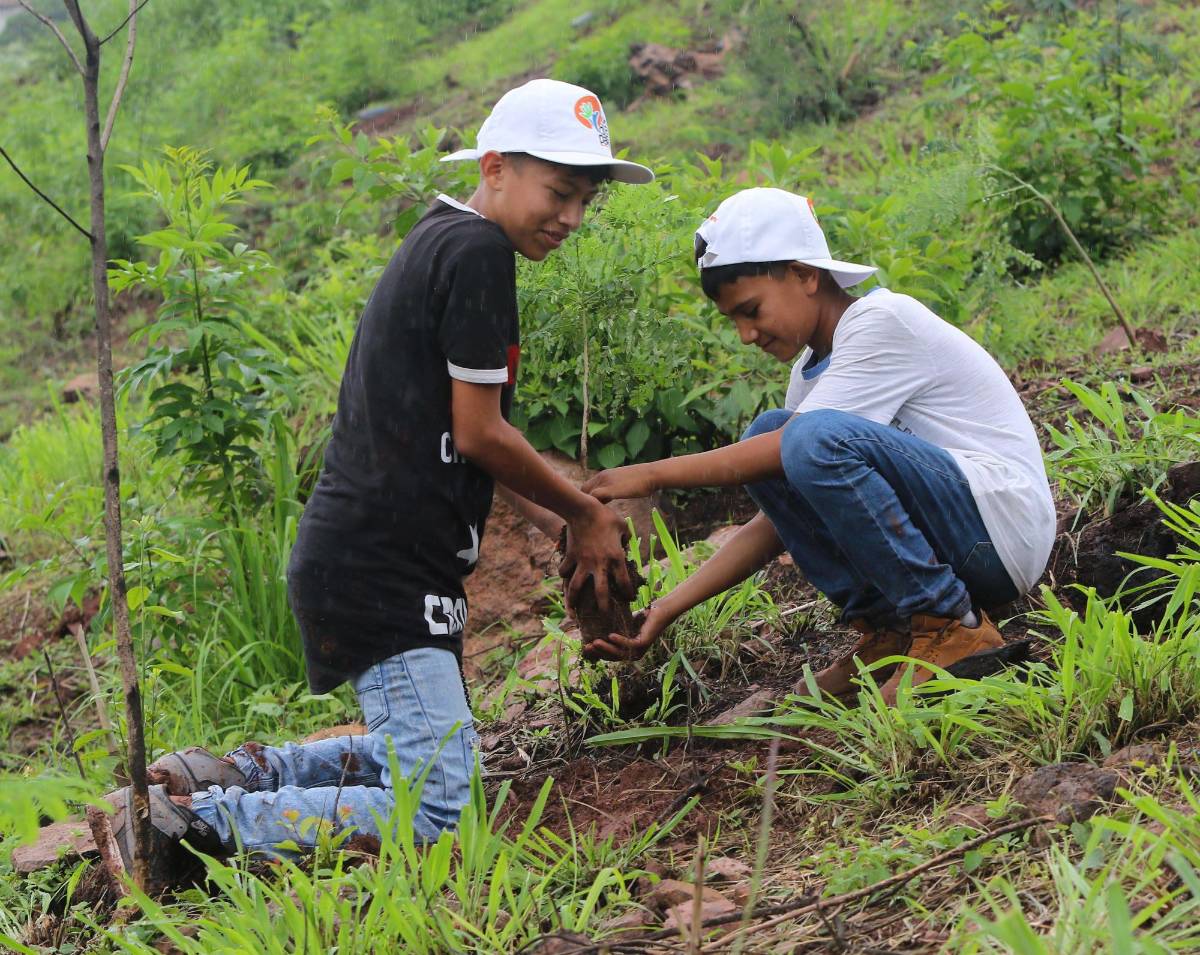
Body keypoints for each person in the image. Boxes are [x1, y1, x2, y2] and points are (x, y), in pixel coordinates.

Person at [97, 79, 655, 874]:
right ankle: (191, 828)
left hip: (375, 558)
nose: (570, 217)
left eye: (585, 201)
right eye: (559, 191)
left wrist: (565, 523)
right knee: (444, 805)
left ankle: (229, 776)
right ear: (495, 167)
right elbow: (481, 430)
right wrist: (586, 512)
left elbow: (467, 443)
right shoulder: (479, 252)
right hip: (382, 568)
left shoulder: (445, 240)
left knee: (431, 758)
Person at [581, 187, 1055, 705]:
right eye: (733, 320)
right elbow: (777, 524)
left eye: (752, 309)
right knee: (775, 433)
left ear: (806, 274)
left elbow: (800, 444)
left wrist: (651, 474)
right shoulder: (809, 383)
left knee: (791, 436)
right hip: (961, 539)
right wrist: (667, 608)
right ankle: (893, 632)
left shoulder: (882, 322)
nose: (745, 334)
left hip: (999, 533)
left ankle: (951, 626)